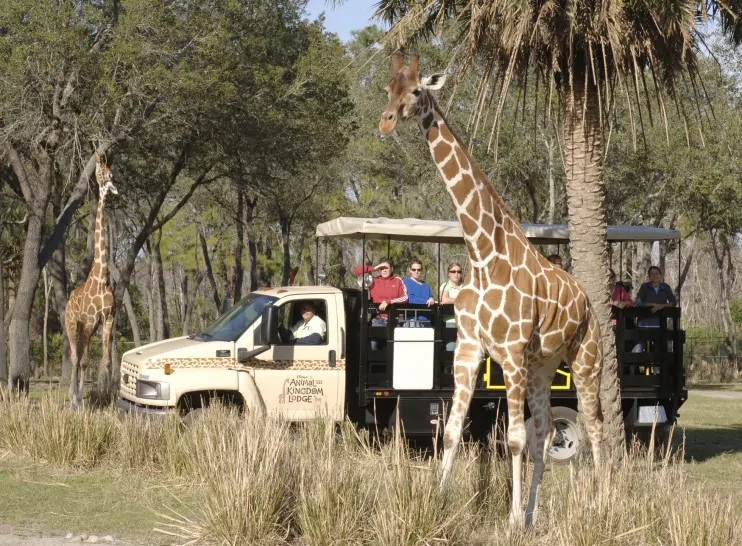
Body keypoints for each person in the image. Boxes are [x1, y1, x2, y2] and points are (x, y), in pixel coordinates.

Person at [354, 258, 407, 350]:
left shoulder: (398, 281)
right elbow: (357, 272)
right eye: (381, 268)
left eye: (386, 267)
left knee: (395, 350)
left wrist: (389, 301)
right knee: (372, 347)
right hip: (377, 321)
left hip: (395, 321)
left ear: (392, 269)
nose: (384, 270)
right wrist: (374, 268)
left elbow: (405, 298)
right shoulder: (373, 281)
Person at [632, 266, 676, 352]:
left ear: (660, 275)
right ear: (649, 276)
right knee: (637, 350)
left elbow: (673, 302)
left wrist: (661, 306)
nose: (654, 276)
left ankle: (662, 364)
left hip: (659, 325)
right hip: (643, 325)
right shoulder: (645, 287)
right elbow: (637, 302)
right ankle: (633, 365)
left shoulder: (665, 287)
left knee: (661, 351)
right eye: (652, 274)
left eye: (656, 273)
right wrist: (652, 304)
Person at [402, 258, 434, 326]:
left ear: (421, 270)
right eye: (414, 269)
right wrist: (426, 301)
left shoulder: (425, 285)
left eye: (419, 270)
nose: (416, 272)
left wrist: (431, 299)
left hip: (426, 320)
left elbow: (431, 296)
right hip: (412, 320)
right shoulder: (406, 282)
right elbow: (410, 298)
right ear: (410, 270)